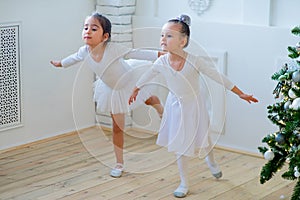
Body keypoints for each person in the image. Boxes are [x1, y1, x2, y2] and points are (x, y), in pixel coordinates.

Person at [129, 14, 258, 198]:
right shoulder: (161, 62)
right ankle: (184, 182)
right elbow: (147, 75)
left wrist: (240, 93)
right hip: (175, 107)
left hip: (194, 106)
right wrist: (135, 89)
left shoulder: (195, 61)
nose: (163, 39)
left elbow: (217, 76)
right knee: (181, 144)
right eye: (162, 35)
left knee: (203, 138)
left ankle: (211, 161)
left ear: (183, 41)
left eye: (169, 36)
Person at [50, 12, 164, 178]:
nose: (88, 31)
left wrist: (159, 55)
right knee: (117, 128)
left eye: (93, 28)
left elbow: (135, 53)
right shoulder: (84, 51)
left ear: (105, 36)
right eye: (86, 27)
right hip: (112, 90)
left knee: (148, 99)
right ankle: (119, 163)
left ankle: (161, 111)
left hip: (131, 79)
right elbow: (74, 58)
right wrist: (61, 63)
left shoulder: (113, 49)